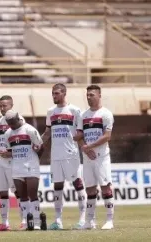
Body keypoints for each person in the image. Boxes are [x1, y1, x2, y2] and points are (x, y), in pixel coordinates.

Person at [42, 84, 87, 230]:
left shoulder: (75, 110)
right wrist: (37, 143)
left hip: (71, 154)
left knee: (78, 185)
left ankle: (82, 219)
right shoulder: (50, 112)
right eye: (52, 94)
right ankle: (57, 221)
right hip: (56, 156)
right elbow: (47, 133)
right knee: (57, 187)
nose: (54, 96)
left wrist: (85, 147)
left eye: (56, 93)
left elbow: (81, 132)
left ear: (64, 93)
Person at [80, 85, 115, 230]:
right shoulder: (84, 115)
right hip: (88, 157)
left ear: (99, 95)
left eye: (92, 95)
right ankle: (90, 221)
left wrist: (90, 146)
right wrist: (85, 148)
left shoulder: (106, 114)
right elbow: (79, 136)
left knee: (106, 187)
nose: (89, 97)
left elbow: (107, 136)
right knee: (90, 189)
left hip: (101, 157)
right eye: (87, 95)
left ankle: (109, 220)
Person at [3, 110, 43, 230]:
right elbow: (11, 151)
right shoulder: (7, 134)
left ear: (17, 119)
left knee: (33, 195)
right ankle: (26, 222)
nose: (11, 126)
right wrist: (5, 154)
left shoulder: (29, 130)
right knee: (22, 196)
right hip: (16, 167)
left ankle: (36, 222)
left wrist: (36, 158)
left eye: (13, 123)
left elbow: (41, 147)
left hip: (31, 166)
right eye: (9, 124)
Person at [0, 95, 24, 230]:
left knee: (18, 191)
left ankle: (24, 220)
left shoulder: (19, 119)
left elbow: (23, 141)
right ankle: (5, 222)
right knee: (2, 192)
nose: (2, 108)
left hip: (13, 160)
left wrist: (10, 153)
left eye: (4, 105)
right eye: (0, 105)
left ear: (11, 105)